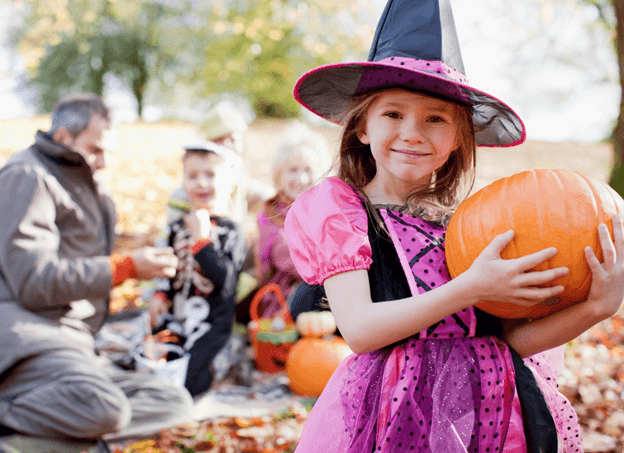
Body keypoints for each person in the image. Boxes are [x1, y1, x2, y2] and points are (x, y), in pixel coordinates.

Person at [284, 0, 624, 451]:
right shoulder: (341, 210)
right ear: (361, 127)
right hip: (394, 413)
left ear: (457, 138)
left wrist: (594, 309)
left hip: (489, 412)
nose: (412, 132)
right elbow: (361, 329)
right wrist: (469, 288)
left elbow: (508, 342)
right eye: (393, 114)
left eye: (435, 119)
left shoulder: (470, 227)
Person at [0, 94, 194, 443]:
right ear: (63, 138)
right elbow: (32, 281)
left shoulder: (85, 183)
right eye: (95, 150)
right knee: (106, 409)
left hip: (74, 342)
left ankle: (47, 434)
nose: (104, 161)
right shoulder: (27, 176)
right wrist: (126, 267)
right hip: (29, 339)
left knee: (173, 402)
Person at [148, 142, 247, 397]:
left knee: (190, 384)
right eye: (192, 176)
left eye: (210, 175)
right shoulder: (176, 228)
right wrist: (160, 296)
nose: (201, 183)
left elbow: (225, 283)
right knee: (154, 371)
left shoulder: (232, 232)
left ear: (227, 183)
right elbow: (168, 269)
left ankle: (229, 355)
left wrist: (202, 242)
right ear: (183, 183)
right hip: (177, 319)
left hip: (211, 325)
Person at [243, 122, 330, 322]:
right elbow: (299, 262)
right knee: (317, 284)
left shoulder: (326, 211)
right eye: (292, 170)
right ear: (279, 176)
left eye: (308, 170)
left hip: (327, 295)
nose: (300, 177)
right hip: (287, 302)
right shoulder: (271, 216)